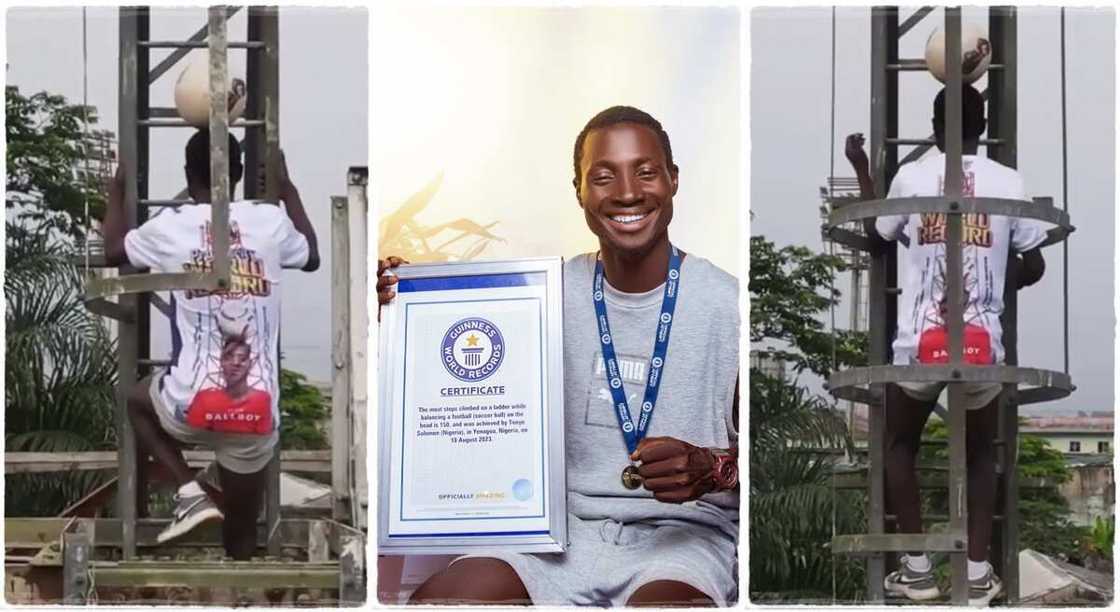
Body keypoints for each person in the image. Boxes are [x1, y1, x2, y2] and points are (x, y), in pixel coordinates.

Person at [379, 106, 740, 606]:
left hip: (681, 539)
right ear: (579, 191)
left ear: (673, 180)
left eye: (646, 172)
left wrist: (717, 467)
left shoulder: (729, 305)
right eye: (604, 176)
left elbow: (766, 463)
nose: (628, 192)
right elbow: (456, 378)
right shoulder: (536, 297)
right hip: (550, 536)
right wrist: (407, 304)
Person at [844, 84, 1046, 606]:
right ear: (981, 128)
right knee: (983, 454)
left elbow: (877, 231)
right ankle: (977, 575)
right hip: (983, 345)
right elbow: (1034, 263)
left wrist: (863, 166)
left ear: (934, 129)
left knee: (897, 447)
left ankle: (917, 572)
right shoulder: (1009, 181)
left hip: (919, 343)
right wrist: (1006, 272)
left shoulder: (911, 176)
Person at [102, 131, 319, 557]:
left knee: (133, 399)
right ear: (238, 173)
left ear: (187, 173)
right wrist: (288, 189)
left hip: (188, 404)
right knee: (241, 535)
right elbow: (310, 254)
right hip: (253, 415)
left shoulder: (169, 227)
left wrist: (116, 190)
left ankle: (189, 489)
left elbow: (112, 250)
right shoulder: (269, 222)